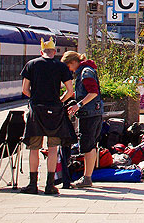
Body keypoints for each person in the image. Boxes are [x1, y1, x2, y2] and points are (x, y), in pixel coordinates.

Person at [20, 38, 74, 195]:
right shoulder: (61, 67)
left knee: (34, 148)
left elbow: (25, 89)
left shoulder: (32, 64)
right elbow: (70, 91)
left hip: (36, 111)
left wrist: (34, 98)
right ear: (55, 52)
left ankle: (32, 185)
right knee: (52, 148)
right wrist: (59, 101)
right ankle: (50, 185)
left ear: (41, 51)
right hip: (55, 112)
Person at [62, 51, 103, 189]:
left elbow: (93, 92)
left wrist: (78, 105)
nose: (69, 70)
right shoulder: (86, 70)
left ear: (73, 62)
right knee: (89, 145)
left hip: (89, 114)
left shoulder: (85, 73)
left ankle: (87, 178)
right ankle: (87, 177)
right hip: (93, 112)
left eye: (68, 66)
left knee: (88, 146)